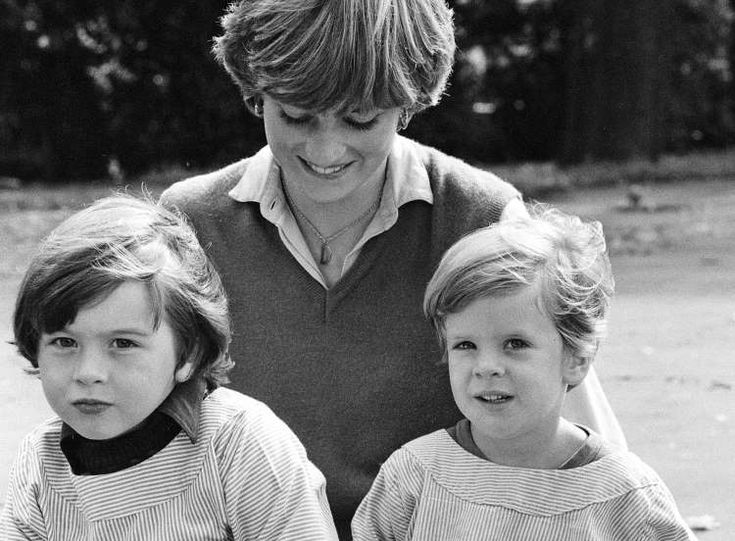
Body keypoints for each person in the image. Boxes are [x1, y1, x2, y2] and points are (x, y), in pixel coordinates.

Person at [160, 0, 626, 536]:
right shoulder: (190, 224)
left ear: (407, 105)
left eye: (360, 118)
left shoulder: (481, 217)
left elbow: (573, 435)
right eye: (295, 115)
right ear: (254, 94)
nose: (325, 147)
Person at [1, 195, 337, 540]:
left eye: (123, 344)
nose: (88, 372)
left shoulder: (239, 443)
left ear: (187, 353)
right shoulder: (40, 464)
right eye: (65, 343)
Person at [352, 207, 695, 540]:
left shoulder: (623, 493)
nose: (486, 366)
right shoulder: (414, 476)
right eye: (465, 345)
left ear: (575, 357)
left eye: (514, 343)